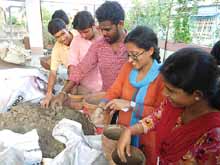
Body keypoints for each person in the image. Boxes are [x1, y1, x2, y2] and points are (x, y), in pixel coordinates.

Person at [117, 47, 220, 164]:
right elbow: (154, 119)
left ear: (197, 94)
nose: (164, 94)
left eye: (171, 91)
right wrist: (129, 131)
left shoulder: (214, 136)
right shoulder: (172, 104)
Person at [97, 26, 164, 164]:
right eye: (128, 55)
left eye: (134, 55)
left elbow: (161, 113)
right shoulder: (128, 68)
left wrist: (131, 105)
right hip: (122, 130)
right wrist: (103, 104)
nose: (130, 60)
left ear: (150, 51)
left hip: (147, 138)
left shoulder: (162, 77)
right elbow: (115, 89)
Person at [51, 1, 128, 110]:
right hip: (107, 100)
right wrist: (63, 93)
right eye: (101, 29)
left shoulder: (133, 44)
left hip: (129, 102)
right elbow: (80, 69)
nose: (104, 33)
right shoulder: (99, 45)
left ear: (120, 24)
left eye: (107, 29)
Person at [40, 18, 73, 108]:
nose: (62, 38)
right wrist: (49, 93)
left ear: (67, 28)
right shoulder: (57, 49)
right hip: (74, 79)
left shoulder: (79, 36)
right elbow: (53, 72)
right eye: (57, 37)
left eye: (63, 33)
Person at [68, 11, 102, 94]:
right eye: (80, 32)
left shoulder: (105, 38)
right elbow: (72, 64)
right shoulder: (76, 40)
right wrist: (74, 84)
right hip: (85, 89)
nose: (83, 35)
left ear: (93, 25)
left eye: (86, 31)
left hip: (105, 88)